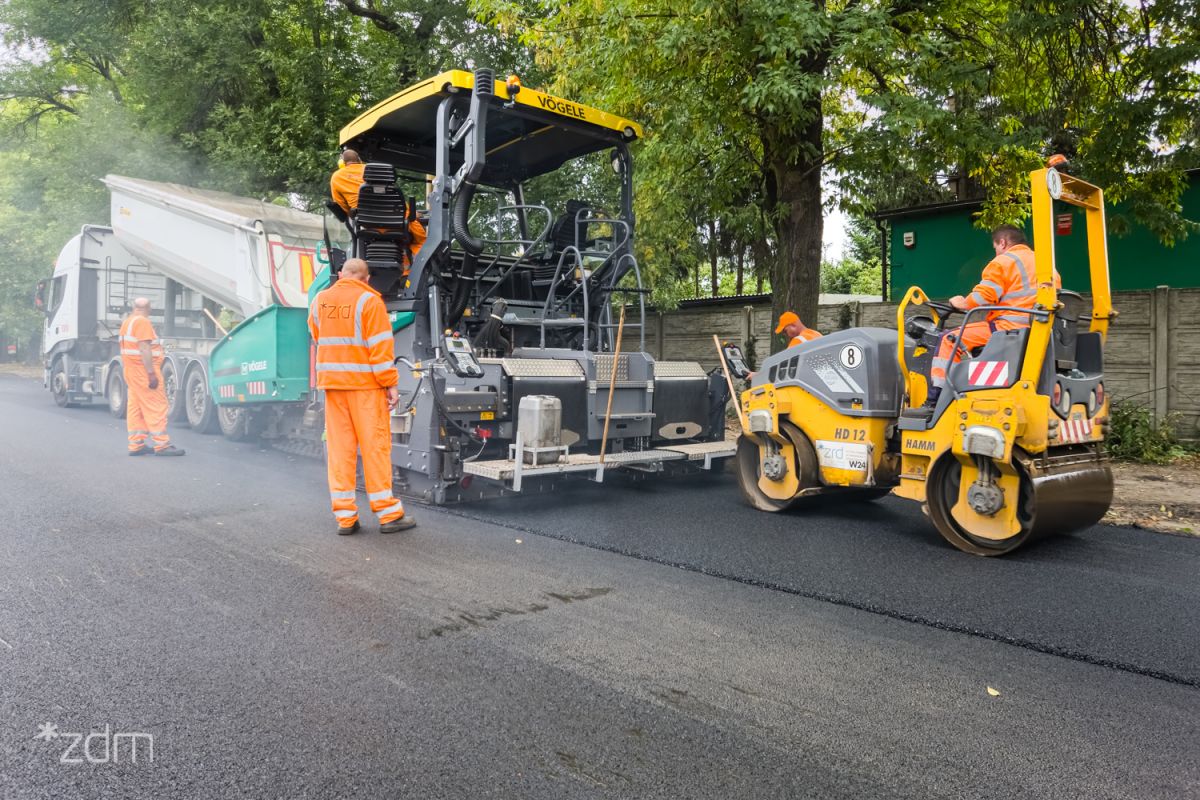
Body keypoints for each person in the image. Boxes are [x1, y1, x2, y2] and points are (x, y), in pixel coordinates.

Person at [308, 258, 415, 535]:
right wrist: (390, 384)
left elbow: (318, 336)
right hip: (364, 388)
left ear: (341, 274)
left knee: (340, 452)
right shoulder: (370, 301)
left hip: (333, 388)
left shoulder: (320, 300)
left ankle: (345, 519)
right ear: (366, 279)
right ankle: (388, 515)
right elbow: (379, 349)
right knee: (374, 450)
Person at [928, 224, 1061, 400]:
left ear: (1003, 243)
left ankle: (936, 398)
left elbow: (983, 297)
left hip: (1008, 329)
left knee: (948, 340)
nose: (996, 252)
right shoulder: (1047, 266)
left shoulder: (1003, 262)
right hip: (1037, 331)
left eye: (996, 247)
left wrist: (962, 302)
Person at [330, 150, 427, 268]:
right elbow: (397, 201)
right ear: (360, 160)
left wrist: (358, 216)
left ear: (342, 163)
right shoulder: (372, 171)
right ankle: (414, 272)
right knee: (421, 240)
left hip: (367, 224)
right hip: (397, 222)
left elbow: (342, 208)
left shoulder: (336, 177)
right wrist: (413, 214)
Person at [118, 298, 185, 457]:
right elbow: (144, 348)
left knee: (136, 408)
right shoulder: (142, 322)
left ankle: (136, 444)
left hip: (131, 370)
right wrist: (151, 374)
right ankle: (161, 444)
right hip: (143, 370)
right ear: (148, 308)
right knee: (155, 405)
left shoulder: (128, 322)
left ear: (134, 307)